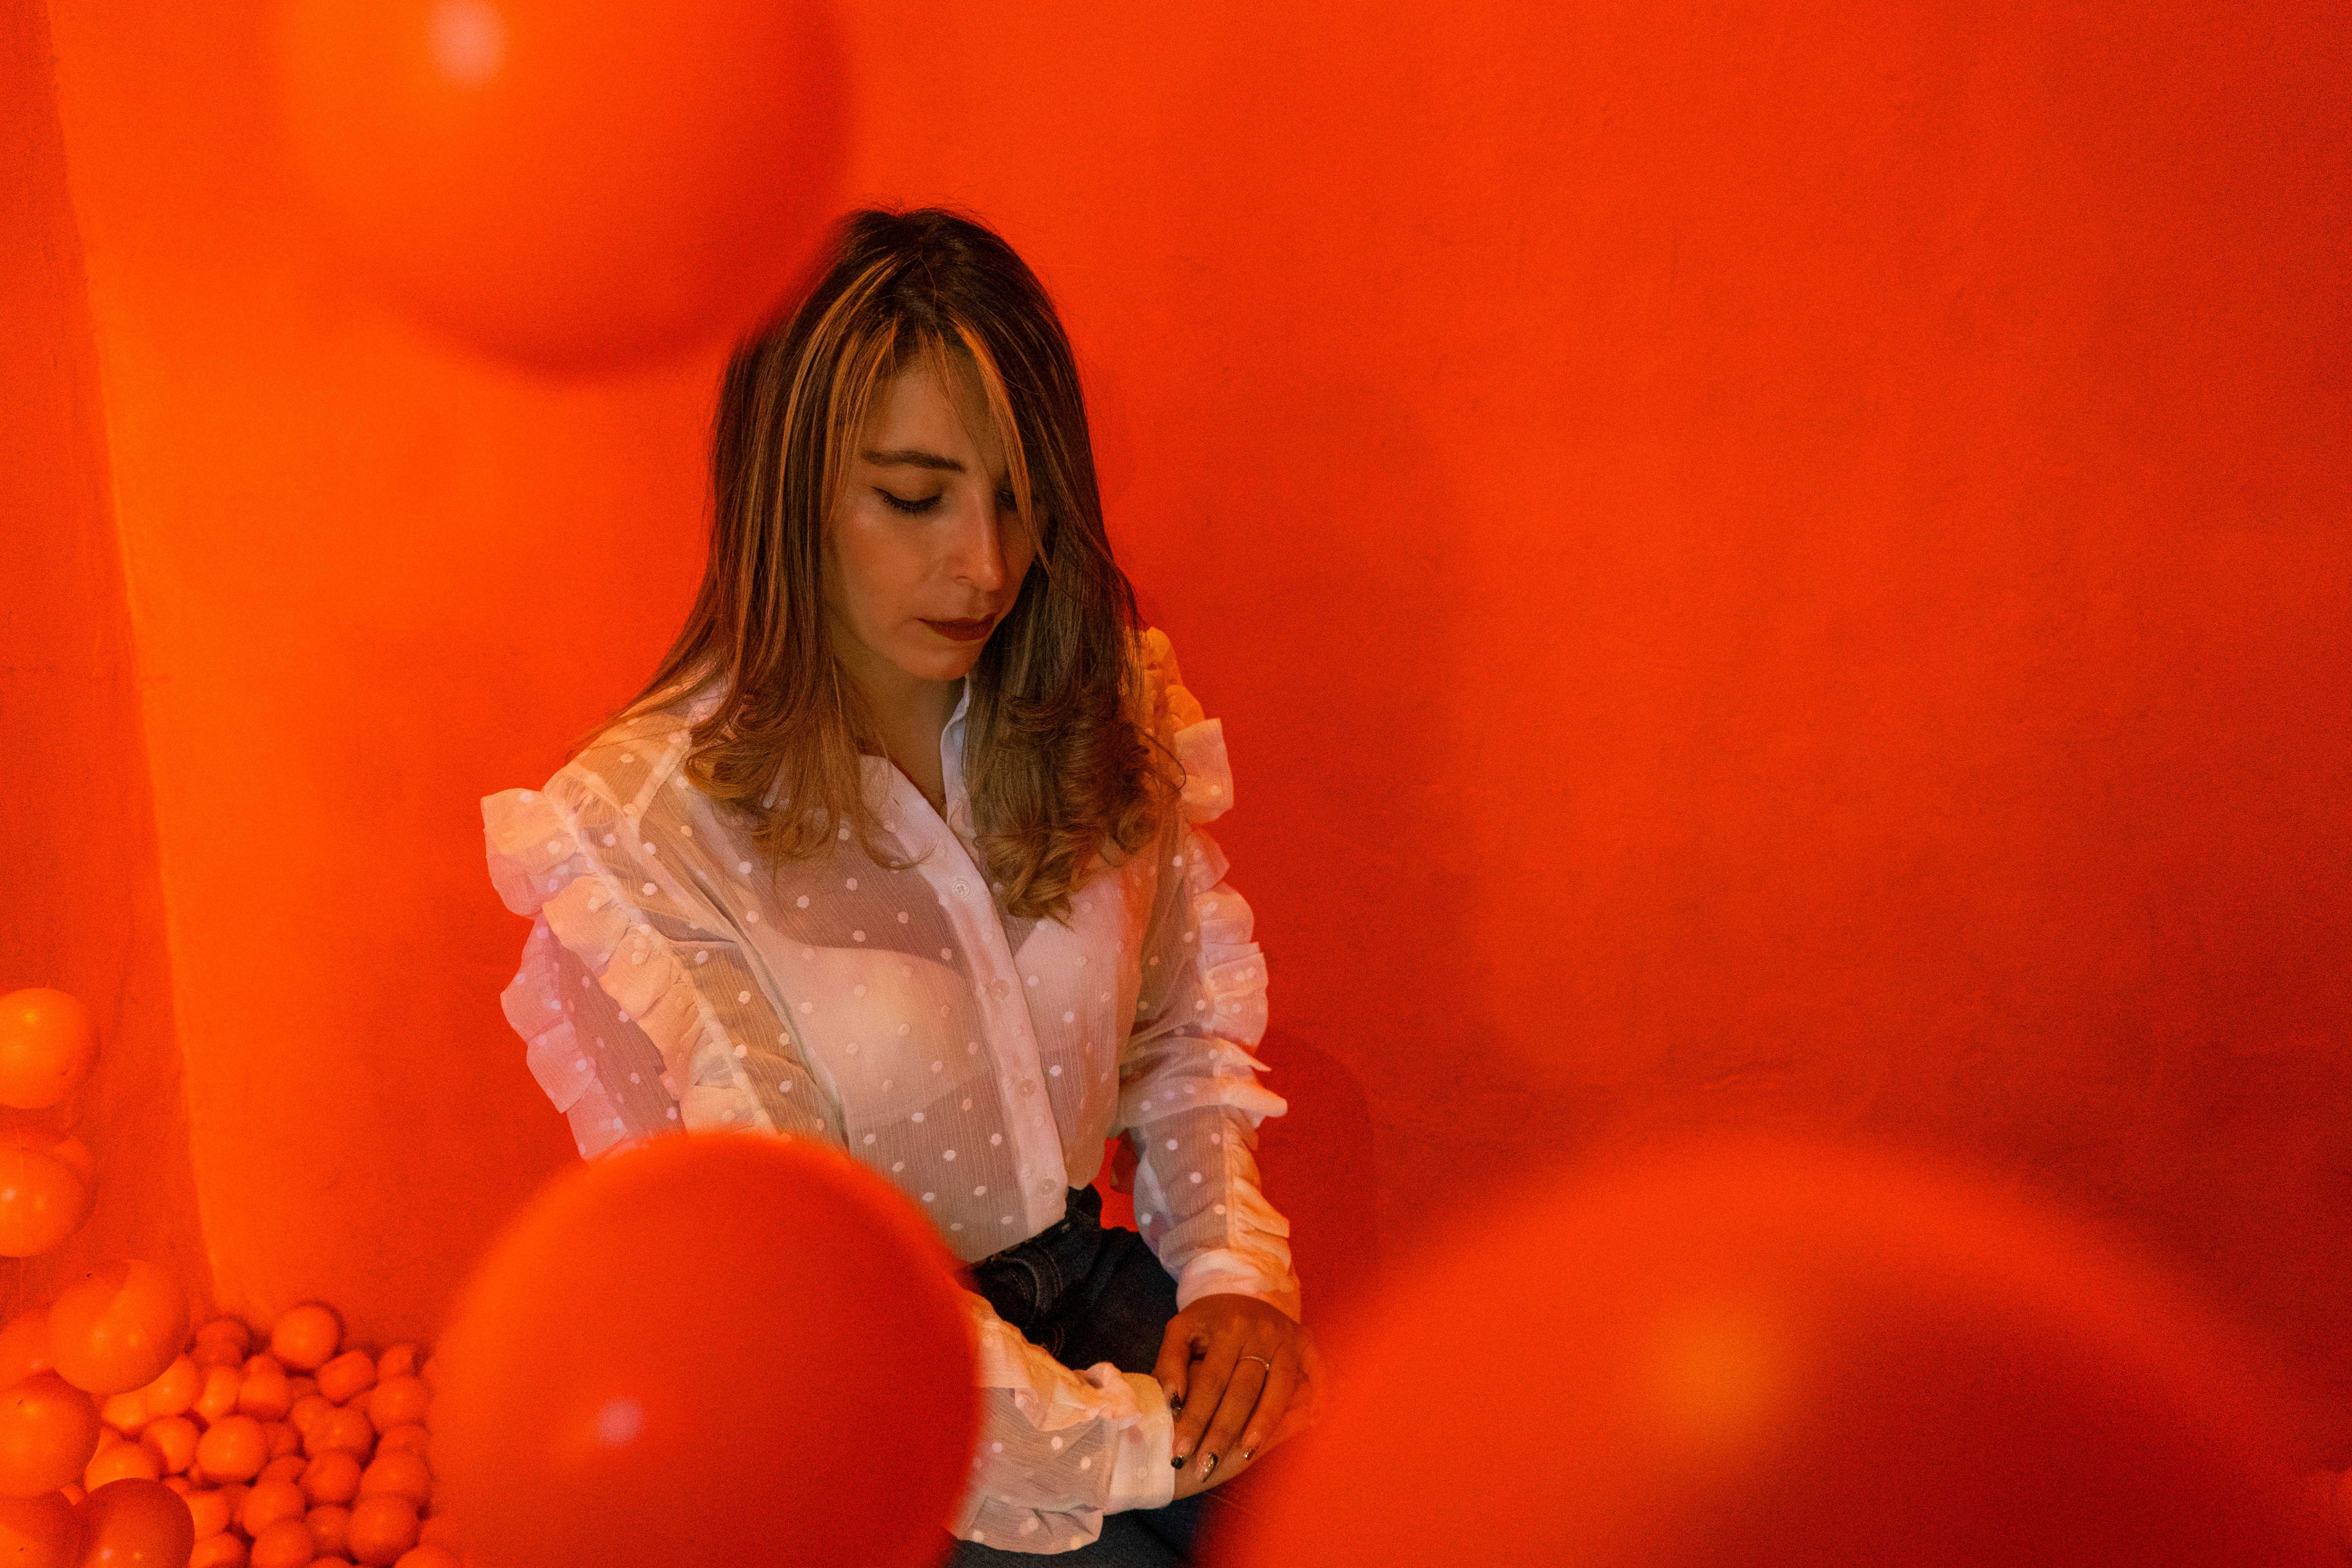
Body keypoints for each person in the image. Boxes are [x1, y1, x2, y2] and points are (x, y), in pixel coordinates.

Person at [480, 207, 1321, 1565]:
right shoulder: (647, 833)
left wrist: (1236, 1276)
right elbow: (802, 1288)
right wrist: (1141, 1452)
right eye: (916, 499)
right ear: (788, 492)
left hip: (1094, 1288)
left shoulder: (1102, 705)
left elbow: (1173, 1037)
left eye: (1019, 495)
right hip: (852, 1388)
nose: (985, 566)